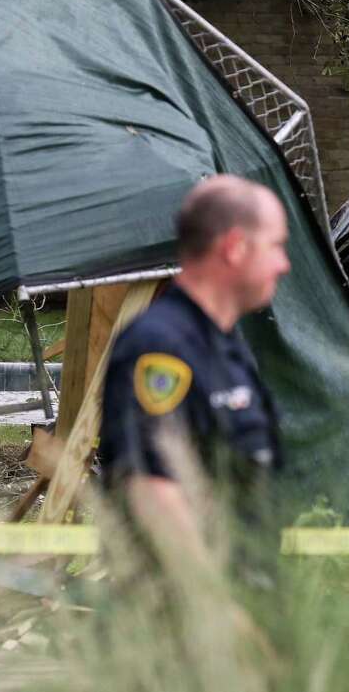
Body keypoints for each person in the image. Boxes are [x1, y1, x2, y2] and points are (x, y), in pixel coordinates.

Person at [97, 173, 291, 588]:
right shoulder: (159, 346)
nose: (283, 263)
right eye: (275, 246)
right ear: (235, 248)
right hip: (184, 618)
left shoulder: (224, 345)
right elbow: (152, 488)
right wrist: (215, 608)